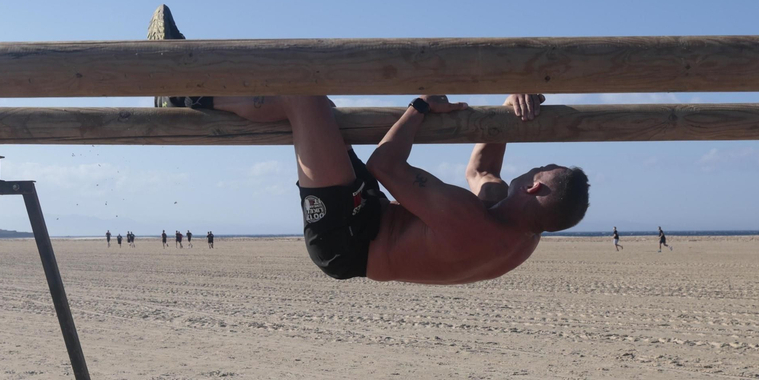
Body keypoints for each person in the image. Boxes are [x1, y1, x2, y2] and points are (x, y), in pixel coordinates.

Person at [160, 91, 588, 282]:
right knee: (322, 113)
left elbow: (384, 163)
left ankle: (182, 95)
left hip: (347, 240)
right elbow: (482, 170)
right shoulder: (518, 231)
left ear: (533, 189)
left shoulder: (471, 222)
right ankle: (196, 89)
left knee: (301, 98)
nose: (535, 164)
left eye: (541, 167)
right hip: (369, 218)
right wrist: (510, 106)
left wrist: (420, 105)